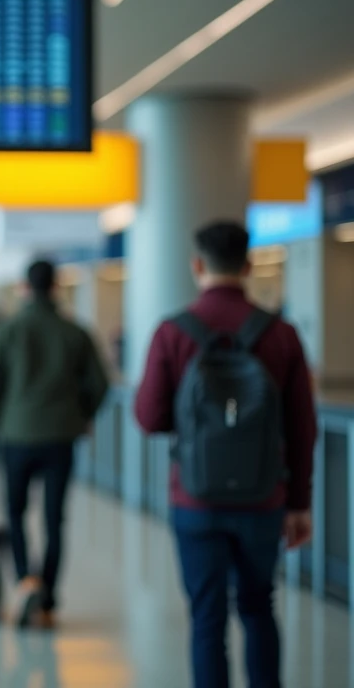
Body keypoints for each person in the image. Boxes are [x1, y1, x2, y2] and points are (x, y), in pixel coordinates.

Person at [134, 221, 317, 688]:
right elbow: (302, 426)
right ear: (248, 266)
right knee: (258, 607)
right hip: (264, 497)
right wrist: (299, 502)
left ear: (197, 265)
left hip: (195, 499)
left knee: (207, 617)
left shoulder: (173, 332)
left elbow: (149, 418)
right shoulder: (281, 334)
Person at [0, 260, 109, 628]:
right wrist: (82, 414)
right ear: (56, 287)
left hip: (15, 436)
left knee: (14, 513)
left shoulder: (6, 331)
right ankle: (47, 599)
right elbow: (100, 384)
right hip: (61, 436)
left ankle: (24, 583)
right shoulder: (75, 332)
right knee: (54, 519)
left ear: (24, 288)